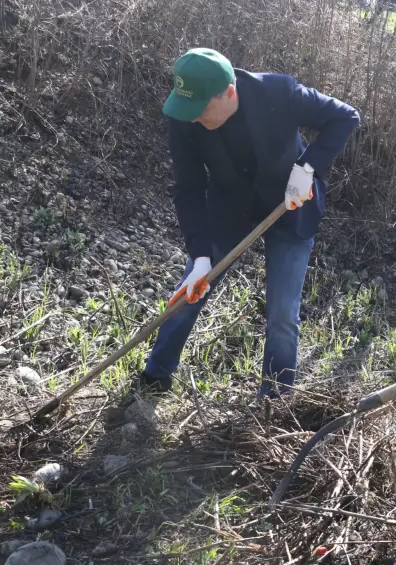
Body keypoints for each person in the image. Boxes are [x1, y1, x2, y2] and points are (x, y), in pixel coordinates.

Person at [132, 48, 360, 399]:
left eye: (201, 110)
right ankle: (154, 379)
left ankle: (274, 401)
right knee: (188, 293)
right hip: (229, 211)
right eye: (187, 110)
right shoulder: (184, 115)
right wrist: (200, 255)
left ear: (230, 92)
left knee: (282, 314)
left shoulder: (277, 93)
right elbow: (187, 186)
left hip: (291, 205)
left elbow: (345, 116)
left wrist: (308, 167)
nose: (193, 119)